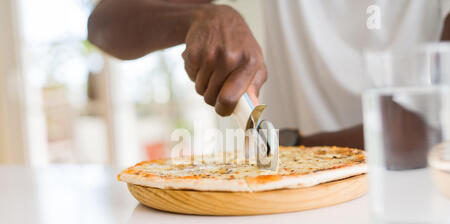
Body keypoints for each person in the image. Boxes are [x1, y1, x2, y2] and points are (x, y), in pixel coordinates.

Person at [88, 0, 450, 149]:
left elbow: (431, 129)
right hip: (290, 217)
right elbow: (103, 23)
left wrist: (287, 149)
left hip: (418, 210)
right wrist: (199, 16)